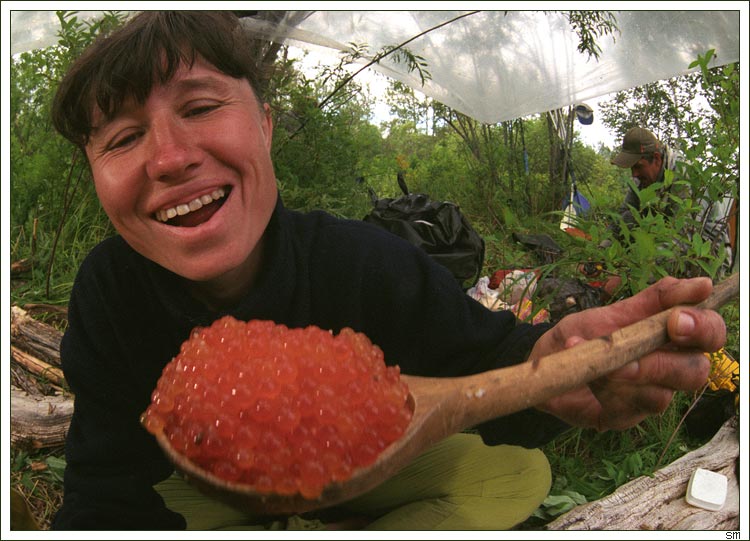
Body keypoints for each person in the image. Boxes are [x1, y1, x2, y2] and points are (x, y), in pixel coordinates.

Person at [49, 12, 727, 531]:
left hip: (370, 479)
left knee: (516, 474)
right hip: (200, 492)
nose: (168, 157)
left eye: (199, 107)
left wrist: (553, 369)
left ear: (264, 125)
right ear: (95, 176)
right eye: (123, 138)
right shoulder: (110, 292)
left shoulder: (363, 263)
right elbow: (103, 485)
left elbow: (488, 363)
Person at [606, 127, 734, 280]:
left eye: (638, 166)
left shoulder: (684, 176)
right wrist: (602, 251)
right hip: (667, 250)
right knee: (629, 217)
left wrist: (633, 274)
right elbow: (622, 218)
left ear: (657, 158)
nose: (634, 174)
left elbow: (682, 239)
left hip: (704, 257)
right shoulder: (641, 181)